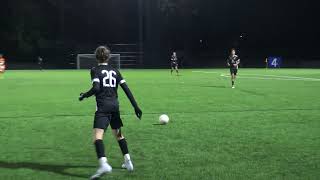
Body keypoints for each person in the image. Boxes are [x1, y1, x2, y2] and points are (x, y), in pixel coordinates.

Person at [79, 46, 142, 179]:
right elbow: (126, 89)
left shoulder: (95, 70)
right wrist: (136, 107)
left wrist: (84, 95)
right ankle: (128, 161)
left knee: (97, 137)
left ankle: (103, 164)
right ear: (108, 57)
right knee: (118, 134)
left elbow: (96, 88)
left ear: (96, 57)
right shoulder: (115, 70)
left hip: (103, 108)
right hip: (115, 107)